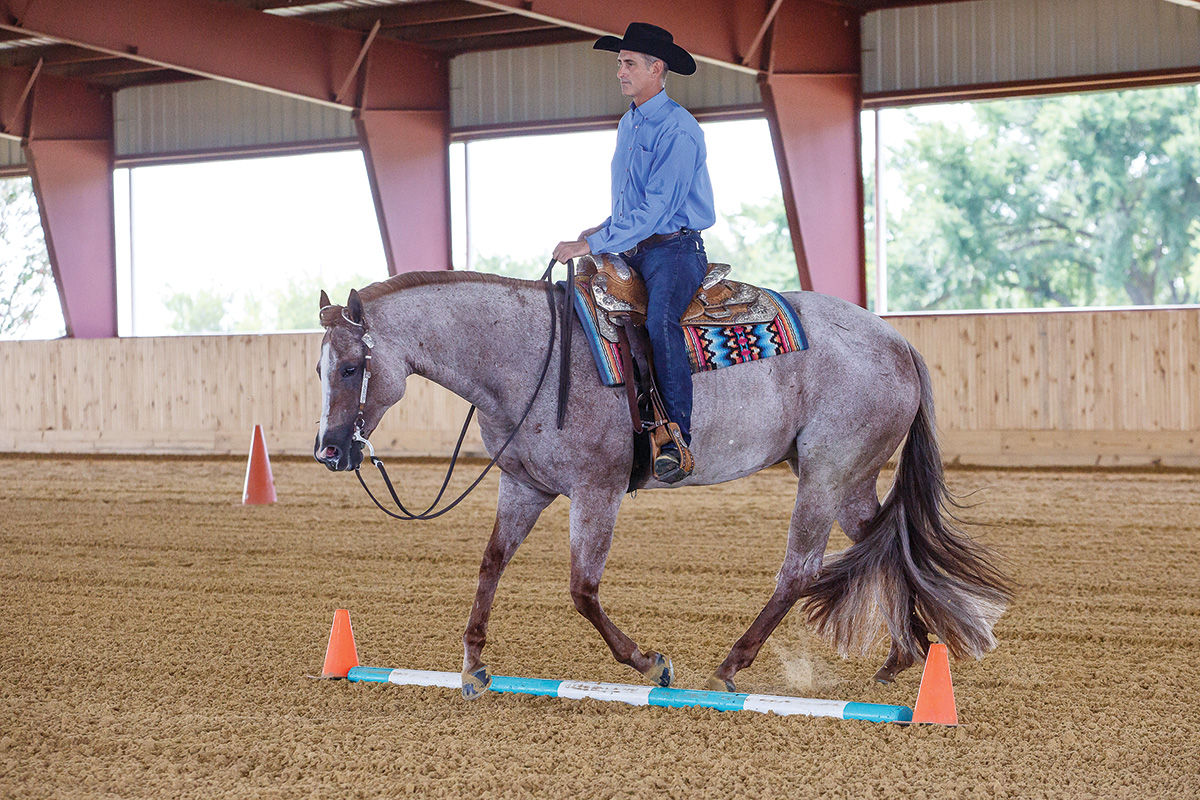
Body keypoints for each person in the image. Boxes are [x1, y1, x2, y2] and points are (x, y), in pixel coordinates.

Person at [552, 22, 715, 484]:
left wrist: (593, 243)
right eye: (619, 63)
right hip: (637, 244)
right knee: (579, 305)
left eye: (628, 64)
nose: (619, 71)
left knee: (661, 321)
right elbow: (633, 205)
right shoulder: (631, 121)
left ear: (656, 68)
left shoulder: (680, 130)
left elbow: (659, 207)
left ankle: (677, 440)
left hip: (674, 250)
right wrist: (603, 228)